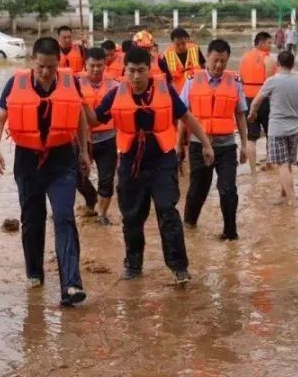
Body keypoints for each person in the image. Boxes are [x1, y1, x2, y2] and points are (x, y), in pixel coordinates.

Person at [92, 47, 214, 283]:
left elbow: (187, 117)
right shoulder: (115, 94)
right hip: (130, 163)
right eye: (131, 71)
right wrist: (77, 98)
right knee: (132, 216)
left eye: (141, 71)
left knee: (168, 211)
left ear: (149, 70)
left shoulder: (165, 90)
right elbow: (93, 119)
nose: (136, 76)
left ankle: (179, 268)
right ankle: (134, 264)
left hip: (162, 160)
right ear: (124, 71)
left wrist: (206, 144)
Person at [0, 37, 91, 306]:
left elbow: (79, 116)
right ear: (32, 60)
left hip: (61, 160)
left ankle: (71, 285)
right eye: (41, 66)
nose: (46, 72)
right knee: (32, 220)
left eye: (51, 67)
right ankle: (34, 273)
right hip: (28, 161)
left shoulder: (70, 83)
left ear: (59, 63)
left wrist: (83, 151)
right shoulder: (15, 83)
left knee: (64, 218)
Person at [180, 39, 248, 240]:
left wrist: (244, 145)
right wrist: (178, 145)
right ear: (207, 57)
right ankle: (189, 226)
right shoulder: (192, 80)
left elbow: (240, 115)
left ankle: (230, 233)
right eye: (215, 60)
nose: (219, 66)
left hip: (226, 145)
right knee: (197, 190)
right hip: (198, 145)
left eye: (223, 62)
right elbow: (183, 116)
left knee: (228, 190)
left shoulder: (234, 82)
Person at [248, 50, 298, 206]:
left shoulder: (272, 81)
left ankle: (292, 199)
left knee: (282, 164)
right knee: (288, 163)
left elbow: (256, 101)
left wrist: (252, 114)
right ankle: (284, 193)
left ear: (277, 65)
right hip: (294, 128)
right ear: (293, 65)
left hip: (277, 130)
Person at [79, 47, 120, 225]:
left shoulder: (115, 85)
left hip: (107, 139)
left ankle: (101, 214)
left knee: (107, 179)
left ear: (105, 65)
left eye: (99, 66)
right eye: (92, 65)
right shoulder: (73, 84)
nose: (96, 69)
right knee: (76, 177)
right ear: (85, 65)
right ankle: (91, 200)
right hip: (81, 140)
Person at [238, 31, 277, 174]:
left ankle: (253, 171)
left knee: (252, 137)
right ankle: (270, 164)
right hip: (264, 100)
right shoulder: (269, 60)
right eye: (269, 42)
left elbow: (240, 78)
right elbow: (270, 84)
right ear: (261, 43)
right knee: (270, 134)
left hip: (248, 100)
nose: (271, 45)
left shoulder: (244, 58)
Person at [163, 27, 205, 93]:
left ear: (187, 40)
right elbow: (165, 76)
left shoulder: (195, 49)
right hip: (178, 93)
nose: (181, 47)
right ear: (172, 42)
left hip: (196, 90)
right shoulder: (167, 54)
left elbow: (203, 67)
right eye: (177, 45)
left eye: (183, 43)